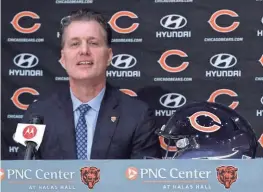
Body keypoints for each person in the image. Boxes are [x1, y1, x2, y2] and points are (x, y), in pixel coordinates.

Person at [19, 9, 160, 160]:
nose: (84, 50)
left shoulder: (137, 116)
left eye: (93, 43)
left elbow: (144, 181)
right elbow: (22, 177)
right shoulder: (37, 115)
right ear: (63, 58)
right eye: (74, 44)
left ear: (109, 56)